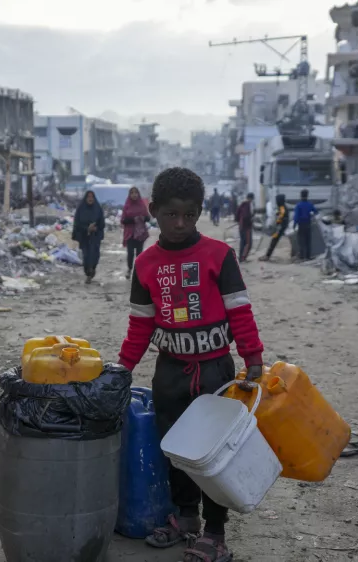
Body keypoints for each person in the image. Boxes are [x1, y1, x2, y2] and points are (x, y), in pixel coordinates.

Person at [119, 167, 264, 562]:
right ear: (153, 211)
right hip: (170, 373)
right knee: (175, 450)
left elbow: (239, 310)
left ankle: (215, 532)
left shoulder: (220, 255)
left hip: (215, 371)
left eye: (189, 214)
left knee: (213, 454)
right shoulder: (145, 264)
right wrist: (123, 368)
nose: (180, 223)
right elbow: (140, 324)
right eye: (171, 214)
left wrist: (252, 356)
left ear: (199, 212)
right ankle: (186, 518)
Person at [73, 190, 105, 284]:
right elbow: (77, 223)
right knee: (86, 255)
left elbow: (102, 223)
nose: (90, 199)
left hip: (95, 236)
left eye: (92, 197)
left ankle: (92, 269)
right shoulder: (81, 209)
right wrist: (87, 228)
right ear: (85, 198)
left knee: (95, 254)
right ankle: (88, 272)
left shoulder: (98, 208)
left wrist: (96, 228)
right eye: (88, 197)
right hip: (84, 236)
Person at [121, 186, 151, 279]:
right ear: (129, 195)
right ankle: (129, 269)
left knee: (139, 253)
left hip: (140, 234)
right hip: (130, 233)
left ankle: (138, 271)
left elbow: (148, 218)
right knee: (130, 253)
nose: (134, 195)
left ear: (138, 194)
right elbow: (123, 220)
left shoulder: (141, 205)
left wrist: (142, 218)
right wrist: (133, 219)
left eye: (136, 193)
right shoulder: (127, 206)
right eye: (132, 193)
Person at [259, 193, 288, 262]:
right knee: (274, 240)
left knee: (274, 240)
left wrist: (277, 223)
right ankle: (267, 255)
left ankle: (267, 256)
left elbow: (281, 217)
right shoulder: (283, 207)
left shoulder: (282, 207)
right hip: (281, 227)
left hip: (280, 227)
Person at [293, 189, 318, 261]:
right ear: (307, 195)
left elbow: (296, 216)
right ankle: (308, 256)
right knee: (308, 240)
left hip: (301, 225)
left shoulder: (298, 205)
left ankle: (302, 256)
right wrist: (311, 215)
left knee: (301, 240)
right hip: (308, 224)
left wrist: (294, 224)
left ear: (300, 196)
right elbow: (316, 212)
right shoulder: (310, 204)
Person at [235, 192, 255, 262]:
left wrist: (239, 221)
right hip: (246, 227)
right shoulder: (248, 204)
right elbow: (246, 216)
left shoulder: (242, 204)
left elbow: (237, 215)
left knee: (243, 242)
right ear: (251, 198)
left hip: (241, 226)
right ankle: (243, 258)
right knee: (248, 243)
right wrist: (251, 220)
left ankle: (241, 257)